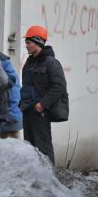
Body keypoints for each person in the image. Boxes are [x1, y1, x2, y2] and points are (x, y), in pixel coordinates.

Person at [20, 25, 68, 164]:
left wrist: (42, 104)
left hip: (40, 112)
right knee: (30, 150)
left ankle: (49, 180)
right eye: (26, 43)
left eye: (28, 43)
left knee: (43, 149)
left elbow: (59, 87)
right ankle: (34, 181)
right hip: (28, 110)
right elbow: (27, 85)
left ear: (38, 41)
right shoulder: (29, 62)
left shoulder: (51, 63)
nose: (26, 46)